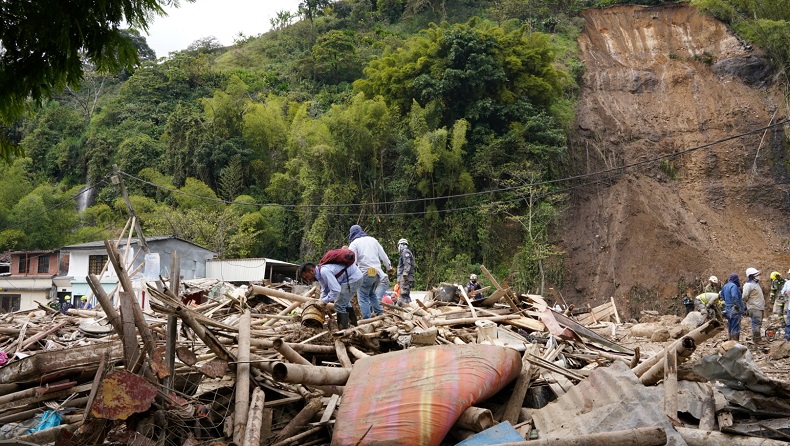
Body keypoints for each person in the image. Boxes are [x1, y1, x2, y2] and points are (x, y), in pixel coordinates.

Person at [297, 260, 364, 329]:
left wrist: (324, 301)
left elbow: (335, 290)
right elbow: (325, 289)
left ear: (312, 271)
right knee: (344, 302)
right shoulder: (319, 275)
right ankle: (353, 324)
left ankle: (343, 330)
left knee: (339, 304)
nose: (308, 279)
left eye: (307, 276)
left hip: (354, 278)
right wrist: (320, 300)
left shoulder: (324, 271)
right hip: (350, 278)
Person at [347, 225, 391, 319]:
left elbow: (352, 262)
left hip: (366, 272)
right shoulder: (373, 240)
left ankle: (367, 318)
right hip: (377, 273)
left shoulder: (354, 244)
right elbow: (384, 256)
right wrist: (389, 267)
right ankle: (379, 313)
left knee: (362, 296)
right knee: (371, 294)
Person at [742, 267, 766, 345]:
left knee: (757, 323)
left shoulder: (755, 284)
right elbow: (744, 296)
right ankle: (757, 340)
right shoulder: (748, 285)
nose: (758, 276)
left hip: (758, 307)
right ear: (751, 276)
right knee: (756, 323)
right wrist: (750, 303)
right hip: (754, 307)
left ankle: (756, 338)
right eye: (756, 275)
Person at [721, 273, 744, 341]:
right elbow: (734, 296)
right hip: (734, 309)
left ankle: (730, 341)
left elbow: (722, 295)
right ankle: (734, 343)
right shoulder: (733, 286)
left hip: (728, 308)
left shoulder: (725, 286)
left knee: (730, 325)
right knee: (735, 326)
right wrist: (738, 306)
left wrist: (727, 302)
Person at [396, 238, 415, 306]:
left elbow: (407, 264)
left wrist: (405, 275)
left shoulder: (405, 252)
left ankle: (407, 309)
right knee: (405, 295)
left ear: (402, 245)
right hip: (406, 278)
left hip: (405, 278)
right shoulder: (405, 253)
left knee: (404, 295)